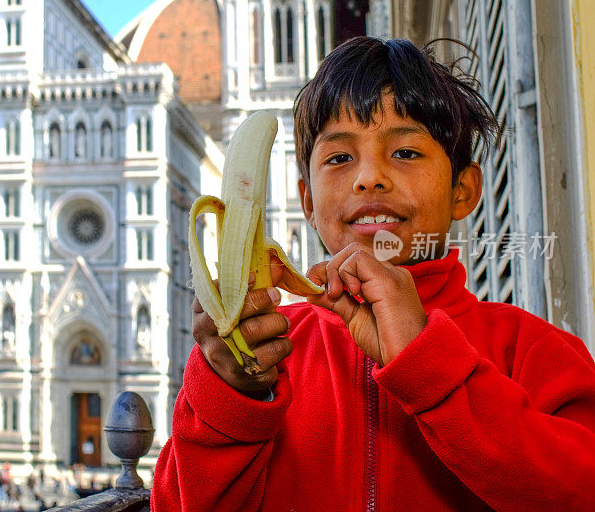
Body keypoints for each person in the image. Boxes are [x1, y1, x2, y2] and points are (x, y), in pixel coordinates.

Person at [151, 36, 595, 510]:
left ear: (463, 190)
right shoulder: (270, 350)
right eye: (339, 158)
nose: (369, 177)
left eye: (405, 152)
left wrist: (428, 362)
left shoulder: (532, 351)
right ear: (308, 203)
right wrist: (230, 397)